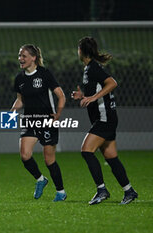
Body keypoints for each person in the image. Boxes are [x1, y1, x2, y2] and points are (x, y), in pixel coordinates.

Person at [71, 36, 138, 205]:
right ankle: (129, 191)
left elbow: (112, 83)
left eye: (78, 49)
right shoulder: (89, 69)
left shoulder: (93, 67)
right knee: (111, 157)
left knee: (86, 151)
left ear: (82, 51)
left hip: (105, 118)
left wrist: (93, 97)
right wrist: (84, 96)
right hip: (104, 118)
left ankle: (101, 190)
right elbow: (99, 89)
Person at [10, 44, 67, 202]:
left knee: (49, 160)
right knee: (25, 155)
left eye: (24, 56)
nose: (20, 59)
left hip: (47, 121)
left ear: (33, 58)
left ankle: (61, 192)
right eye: (20, 56)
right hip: (29, 121)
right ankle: (40, 179)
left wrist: (58, 114)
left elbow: (61, 96)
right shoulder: (19, 78)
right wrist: (11, 113)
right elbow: (20, 100)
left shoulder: (45, 74)